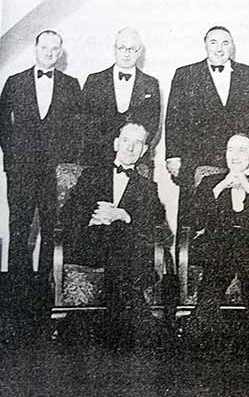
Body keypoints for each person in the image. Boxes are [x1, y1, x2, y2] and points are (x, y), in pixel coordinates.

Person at [60, 122, 170, 348]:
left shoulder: (148, 187)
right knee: (120, 246)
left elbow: (158, 224)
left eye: (137, 144)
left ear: (144, 151)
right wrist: (91, 218)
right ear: (116, 143)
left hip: (125, 254)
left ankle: (117, 326)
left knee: (122, 242)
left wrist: (124, 215)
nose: (130, 148)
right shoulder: (91, 176)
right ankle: (142, 318)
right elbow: (67, 213)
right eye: (126, 141)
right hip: (92, 247)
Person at [0, 30, 82, 331]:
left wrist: (68, 165)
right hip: (21, 172)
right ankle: (16, 300)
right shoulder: (14, 81)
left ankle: (45, 296)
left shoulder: (72, 86)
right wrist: (12, 158)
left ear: (60, 52)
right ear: (35, 49)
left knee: (52, 231)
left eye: (55, 48)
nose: (49, 52)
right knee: (19, 230)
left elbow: (79, 130)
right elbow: (2, 125)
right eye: (44, 47)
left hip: (55, 174)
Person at [188, 134, 249, 344]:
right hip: (217, 244)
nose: (235, 155)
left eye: (242, 150)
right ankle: (205, 327)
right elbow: (194, 220)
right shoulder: (210, 182)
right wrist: (219, 188)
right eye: (230, 149)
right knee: (220, 266)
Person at [165, 26, 249, 185]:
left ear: (232, 46)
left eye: (225, 43)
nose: (219, 49)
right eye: (213, 43)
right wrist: (173, 156)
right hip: (196, 158)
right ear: (205, 45)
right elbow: (173, 119)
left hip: (237, 160)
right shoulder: (185, 74)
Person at [81, 27, 160, 167]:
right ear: (114, 49)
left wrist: (130, 148)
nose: (126, 54)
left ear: (140, 52)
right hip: (97, 156)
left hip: (133, 158)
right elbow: (84, 120)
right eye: (122, 47)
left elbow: (152, 124)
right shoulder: (94, 80)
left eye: (132, 49)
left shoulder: (151, 83)